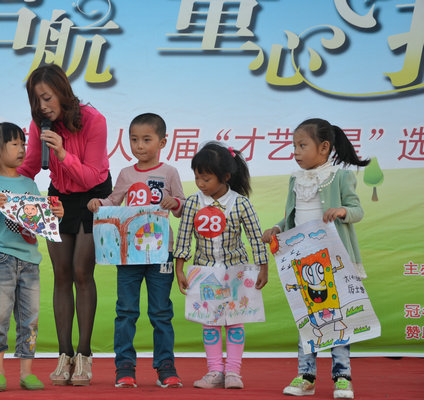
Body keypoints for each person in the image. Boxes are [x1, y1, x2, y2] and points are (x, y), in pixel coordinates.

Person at [261, 118, 370, 399]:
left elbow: (357, 210)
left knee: (339, 318)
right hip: (304, 262)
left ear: (324, 148)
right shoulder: (295, 179)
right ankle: (306, 376)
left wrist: (342, 211)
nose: (296, 152)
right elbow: (292, 217)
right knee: (307, 318)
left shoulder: (340, 176)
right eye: (294, 146)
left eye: (302, 145)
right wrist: (277, 229)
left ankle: (342, 377)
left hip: (336, 260)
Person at [18, 64, 112, 386]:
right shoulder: (39, 125)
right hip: (59, 198)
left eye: (46, 98)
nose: (42, 106)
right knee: (61, 274)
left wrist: (61, 152)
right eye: (36, 100)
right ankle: (64, 354)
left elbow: (90, 176)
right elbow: (30, 166)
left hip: (93, 197)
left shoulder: (94, 120)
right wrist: (1, 176)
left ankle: (84, 355)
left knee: (82, 272)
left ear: (62, 92)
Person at [87, 113, 186, 388]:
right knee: (126, 310)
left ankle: (166, 367)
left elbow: (182, 206)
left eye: (146, 139)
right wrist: (99, 203)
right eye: (134, 140)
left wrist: (174, 202)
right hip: (129, 252)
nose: (139, 146)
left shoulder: (170, 172)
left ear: (162, 142)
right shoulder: (126, 174)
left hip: (161, 252)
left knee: (161, 311)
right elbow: (113, 200)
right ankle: (124, 367)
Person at [0, 122, 64, 392]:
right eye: (15, 144)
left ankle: (26, 373)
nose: (22, 149)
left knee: (29, 319)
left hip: (30, 261)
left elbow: (41, 220)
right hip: (0, 259)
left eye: (23, 144)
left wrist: (56, 215)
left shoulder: (29, 183)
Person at [174, 141, 269, 390]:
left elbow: (255, 237)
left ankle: (234, 372)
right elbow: (184, 237)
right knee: (210, 321)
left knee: (235, 320)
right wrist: (180, 269)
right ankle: (215, 371)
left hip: (236, 272)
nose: (200, 184)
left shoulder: (240, 203)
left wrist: (263, 267)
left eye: (206, 179)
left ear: (225, 177)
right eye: (197, 178)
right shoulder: (193, 203)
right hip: (204, 272)